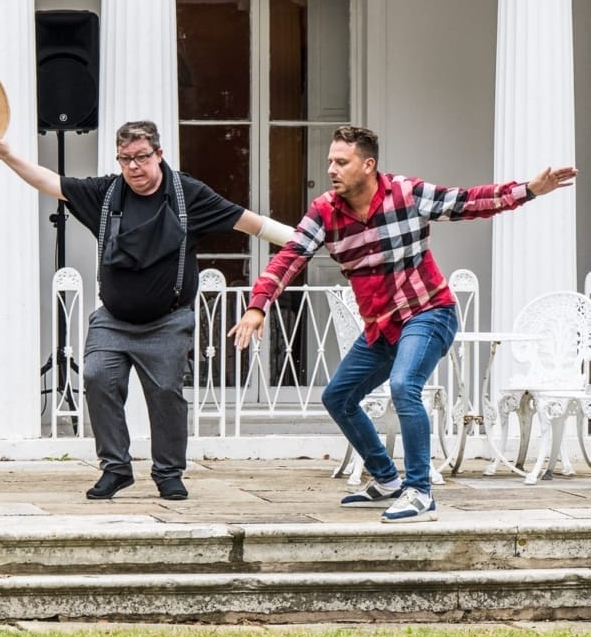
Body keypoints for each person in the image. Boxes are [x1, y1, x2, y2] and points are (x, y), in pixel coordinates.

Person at [229, 125, 577, 523]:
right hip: (381, 328)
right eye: (330, 162)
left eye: (341, 162)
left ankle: (419, 491)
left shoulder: (406, 194)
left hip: (428, 312)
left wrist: (528, 189)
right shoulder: (325, 210)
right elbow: (290, 256)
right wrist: (259, 305)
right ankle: (387, 480)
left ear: (368, 165)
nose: (332, 169)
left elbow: (468, 202)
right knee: (337, 397)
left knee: (403, 386)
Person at [0, 121, 293, 502]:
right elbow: (51, 182)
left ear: (159, 155)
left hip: (168, 321)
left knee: (166, 392)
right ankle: (115, 469)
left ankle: (168, 473)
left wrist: (308, 238)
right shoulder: (105, 193)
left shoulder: (188, 194)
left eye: (142, 157)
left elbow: (251, 222)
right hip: (112, 320)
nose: (133, 167)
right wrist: (7, 155)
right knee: (97, 377)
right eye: (125, 159)